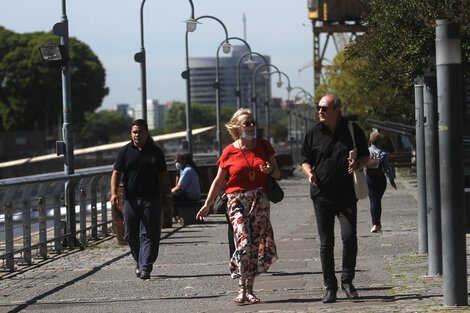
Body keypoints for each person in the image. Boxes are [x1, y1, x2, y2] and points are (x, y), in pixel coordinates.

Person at [196, 108, 279, 304]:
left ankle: (249, 290)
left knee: (254, 246)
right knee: (242, 242)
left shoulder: (264, 146)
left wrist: (270, 170)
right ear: (236, 127)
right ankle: (241, 287)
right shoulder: (229, 151)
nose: (251, 126)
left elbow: (278, 173)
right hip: (236, 201)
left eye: (253, 123)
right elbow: (218, 181)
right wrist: (207, 204)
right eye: (247, 123)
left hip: (259, 201)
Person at [301, 94, 369, 303]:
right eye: (318, 108)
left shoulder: (352, 129)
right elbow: (304, 161)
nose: (320, 111)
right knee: (326, 242)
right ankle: (330, 287)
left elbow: (366, 156)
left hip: (347, 194)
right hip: (322, 195)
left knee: (349, 237)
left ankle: (347, 281)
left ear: (337, 109)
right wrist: (310, 173)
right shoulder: (313, 133)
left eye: (324, 108)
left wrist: (357, 164)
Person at [110, 119, 173, 280]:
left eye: (140, 131)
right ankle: (140, 261)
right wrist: (113, 193)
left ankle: (145, 266)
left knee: (148, 233)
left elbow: (163, 175)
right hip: (130, 199)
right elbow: (116, 173)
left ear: (147, 133)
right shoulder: (125, 151)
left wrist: (167, 195)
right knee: (130, 234)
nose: (137, 135)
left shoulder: (155, 152)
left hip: (151, 198)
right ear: (131, 134)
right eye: (134, 132)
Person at [366, 131, 397, 233]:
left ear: (370, 140)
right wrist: (392, 180)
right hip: (380, 179)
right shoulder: (383, 152)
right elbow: (388, 168)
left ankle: (375, 224)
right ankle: (377, 224)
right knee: (377, 200)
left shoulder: (366, 152)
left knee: (373, 200)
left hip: (369, 178)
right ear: (380, 141)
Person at [171, 153, 201, 223]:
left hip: (191, 195)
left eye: (178, 161)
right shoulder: (183, 170)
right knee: (172, 196)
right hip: (189, 193)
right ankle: (176, 216)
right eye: (176, 162)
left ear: (184, 161)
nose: (177, 164)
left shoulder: (187, 170)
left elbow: (179, 186)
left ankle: (176, 217)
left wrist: (168, 192)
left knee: (170, 197)